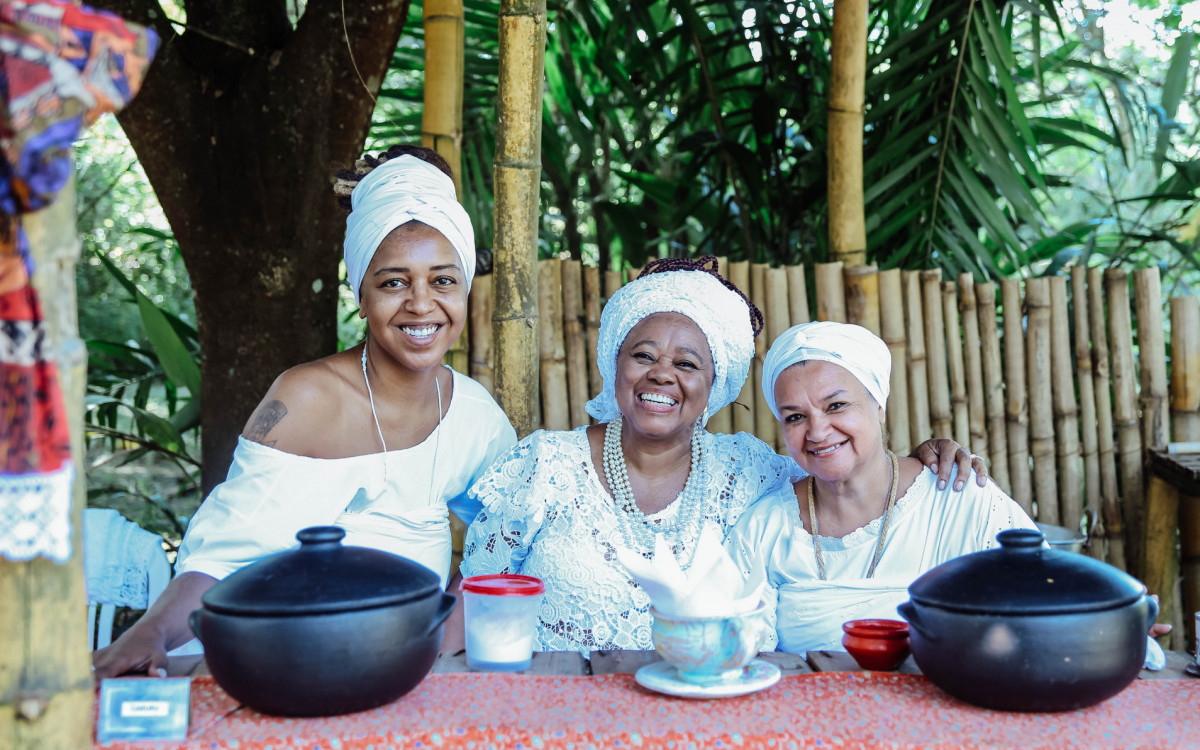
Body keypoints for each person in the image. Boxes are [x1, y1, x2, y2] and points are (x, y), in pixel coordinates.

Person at [93, 146, 516, 678]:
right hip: (276, 668)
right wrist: (151, 634)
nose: (421, 303)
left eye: (443, 280)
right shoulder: (304, 400)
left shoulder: (474, 417)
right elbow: (222, 560)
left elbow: (510, 537)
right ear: (360, 293)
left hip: (405, 673)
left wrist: (444, 636)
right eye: (393, 282)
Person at [459, 259, 982, 653]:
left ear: (714, 388)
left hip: (707, 718)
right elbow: (472, 613)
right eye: (643, 355)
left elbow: (841, 473)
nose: (661, 374)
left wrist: (922, 460)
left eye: (687, 363)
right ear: (613, 365)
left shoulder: (749, 471)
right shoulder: (544, 467)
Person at [725, 321, 1046, 653]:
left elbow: (1044, 615)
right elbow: (743, 659)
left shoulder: (960, 501)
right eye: (795, 417)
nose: (817, 432)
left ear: (879, 404)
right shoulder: (764, 529)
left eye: (836, 406)